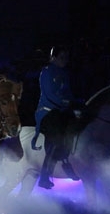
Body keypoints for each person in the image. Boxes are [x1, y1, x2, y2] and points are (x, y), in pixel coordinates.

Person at [32, 45, 82, 189]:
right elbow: (49, 94)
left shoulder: (65, 73)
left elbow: (68, 92)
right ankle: (44, 176)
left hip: (62, 110)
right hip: (48, 111)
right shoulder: (46, 72)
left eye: (66, 58)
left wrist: (75, 102)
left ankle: (67, 161)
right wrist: (66, 102)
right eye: (61, 57)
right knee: (56, 135)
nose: (65, 60)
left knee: (75, 128)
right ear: (53, 58)